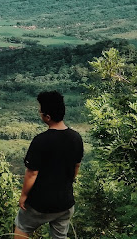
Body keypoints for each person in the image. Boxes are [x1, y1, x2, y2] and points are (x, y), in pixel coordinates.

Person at [14, 91, 84, 238]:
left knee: (22, 226)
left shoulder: (40, 140)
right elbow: (76, 166)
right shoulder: (76, 138)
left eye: (40, 111)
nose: (39, 113)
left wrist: (23, 196)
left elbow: (32, 173)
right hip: (65, 202)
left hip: (39, 203)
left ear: (47, 117)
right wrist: (66, 184)